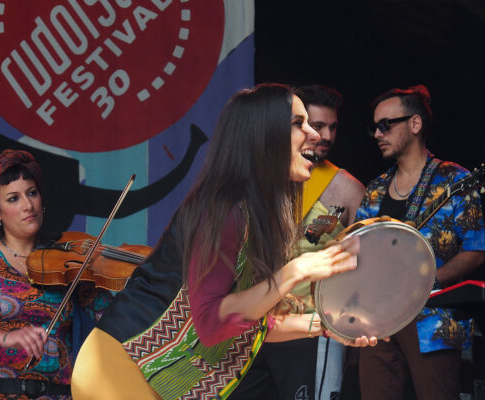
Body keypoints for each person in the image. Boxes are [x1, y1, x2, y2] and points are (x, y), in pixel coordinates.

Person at [71, 83, 380, 400]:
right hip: (118, 365)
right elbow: (211, 322)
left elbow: (250, 322)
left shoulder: (259, 215)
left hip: (162, 378)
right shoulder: (223, 209)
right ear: (263, 136)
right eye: (297, 124)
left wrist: (328, 325)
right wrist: (297, 270)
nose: (314, 134)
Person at [0, 149, 116, 399]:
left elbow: (116, 318)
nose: (28, 205)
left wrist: (140, 277)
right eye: (13, 199)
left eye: (32, 193)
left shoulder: (71, 266)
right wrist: (5, 338)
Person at [228, 84, 365, 400]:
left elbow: (363, 265)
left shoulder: (347, 188)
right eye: (315, 126)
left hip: (312, 327)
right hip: (255, 323)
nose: (325, 136)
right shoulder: (257, 184)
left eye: (332, 127)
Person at [357, 85, 485, 399]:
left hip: (432, 321)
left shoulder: (454, 180)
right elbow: (359, 253)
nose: (377, 133)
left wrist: (427, 279)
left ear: (414, 124)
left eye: (385, 125)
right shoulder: (375, 189)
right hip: (378, 322)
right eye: (374, 126)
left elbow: (476, 251)